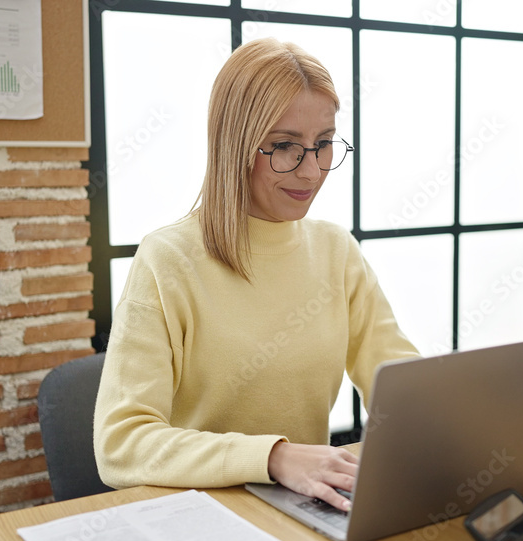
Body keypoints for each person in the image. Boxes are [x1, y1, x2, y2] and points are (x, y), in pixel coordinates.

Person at [93, 38, 419, 512]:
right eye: (285, 147)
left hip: (305, 510)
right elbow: (121, 444)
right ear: (237, 144)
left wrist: (457, 420)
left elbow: (398, 380)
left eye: (324, 144)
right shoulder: (167, 260)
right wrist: (273, 457)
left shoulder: (335, 250)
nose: (312, 172)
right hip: (203, 513)